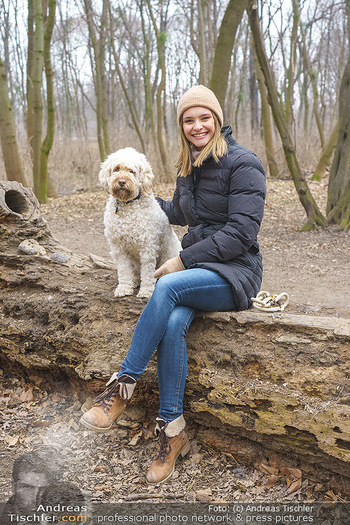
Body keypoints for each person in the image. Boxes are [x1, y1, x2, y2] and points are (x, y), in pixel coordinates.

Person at [80, 85, 266, 484]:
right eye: (188, 119)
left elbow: (242, 232)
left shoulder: (244, 163)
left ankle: (120, 388)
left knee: (166, 287)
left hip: (235, 271)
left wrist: (181, 259)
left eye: (204, 117)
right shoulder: (190, 165)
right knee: (171, 323)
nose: (196, 125)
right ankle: (172, 431)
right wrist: (140, 199)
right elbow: (179, 212)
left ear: (217, 120)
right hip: (197, 271)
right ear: (182, 126)